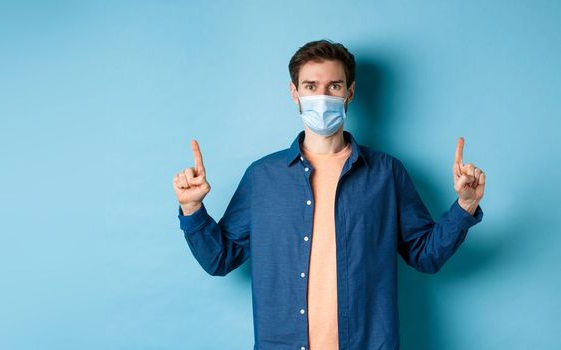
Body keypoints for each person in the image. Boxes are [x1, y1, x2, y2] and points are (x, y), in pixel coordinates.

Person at [171, 39, 485, 350]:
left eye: (334, 86)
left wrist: (465, 206)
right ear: (294, 93)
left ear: (350, 92)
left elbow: (425, 256)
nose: (322, 97)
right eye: (310, 86)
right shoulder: (262, 177)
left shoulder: (386, 174)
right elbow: (219, 259)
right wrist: (192, 209)